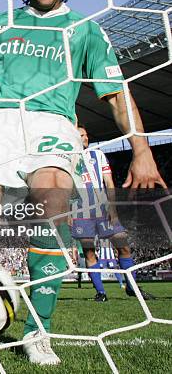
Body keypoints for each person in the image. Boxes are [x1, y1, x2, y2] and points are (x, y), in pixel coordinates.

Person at [0, 0, 166, 365]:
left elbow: (116, 94)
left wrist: (142, 150)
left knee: (52, 209)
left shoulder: (84, 30)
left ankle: (37, 334)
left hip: (52, 123)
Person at [72, 125, 155, 302]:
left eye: (86, 135)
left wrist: (112, 207)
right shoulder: (69, 159)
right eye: (81, 135)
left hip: (103, 210)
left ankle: (132, 288)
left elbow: (109, 182)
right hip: (81, 212)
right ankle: (100, 292)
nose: (85, 138)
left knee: (123, 246)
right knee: (89, 253)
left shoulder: (98, 155)